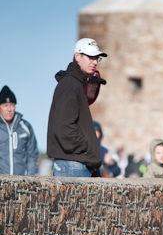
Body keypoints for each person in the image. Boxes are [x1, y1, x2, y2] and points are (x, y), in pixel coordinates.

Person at [47, 38, 108, 177]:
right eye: (90, 57)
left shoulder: (75, 84)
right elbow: (64, 127)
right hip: (73, 165)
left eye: (97, 58)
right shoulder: (70, 85)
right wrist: (87, 146)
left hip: (75, 164)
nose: (95, 62)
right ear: (77, 56)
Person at [0, 85, 39, 175]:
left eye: (12, 105)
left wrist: (29, 179)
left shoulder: (25, 127)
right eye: (5, 105)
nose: (9, 109)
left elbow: (32, 155)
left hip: (21, 183)